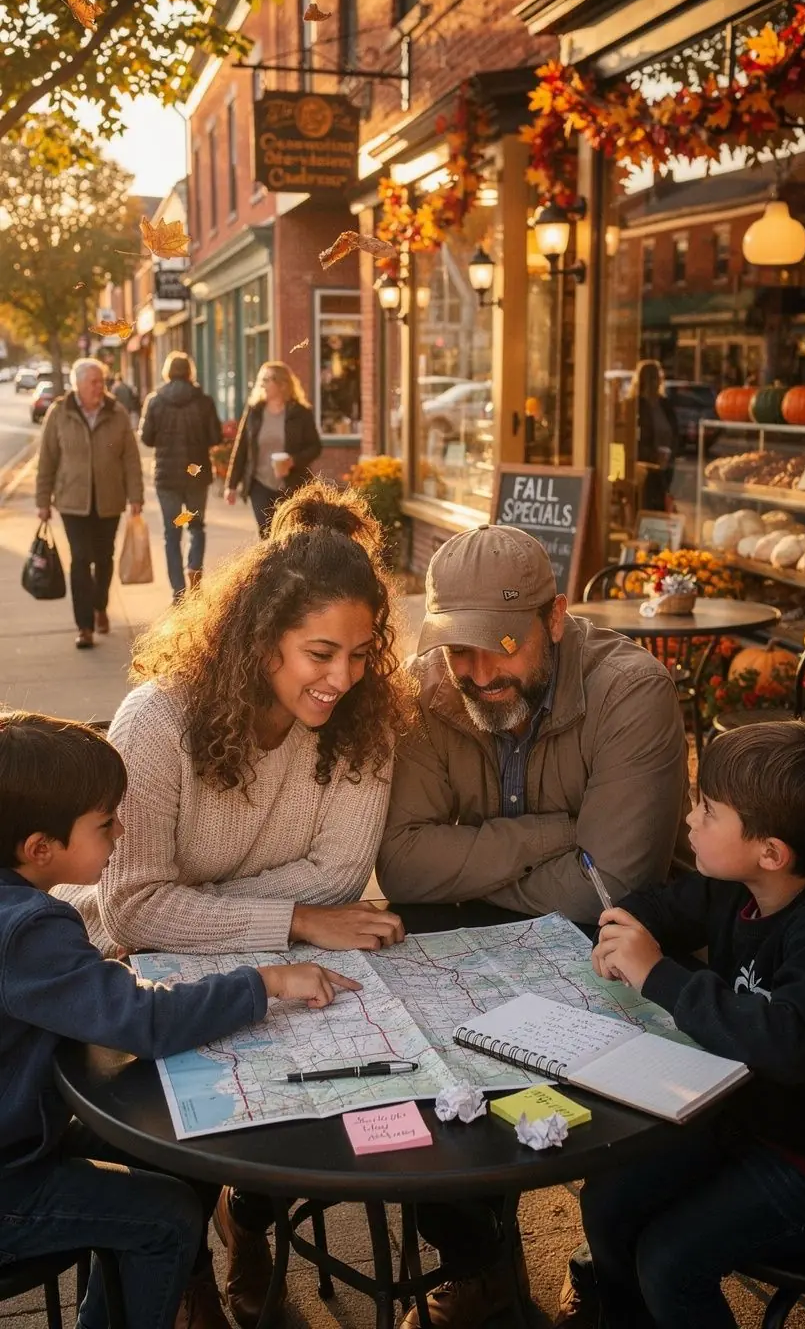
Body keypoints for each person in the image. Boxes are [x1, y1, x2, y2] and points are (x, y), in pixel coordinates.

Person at [59, 481, 406, 1326]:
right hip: (134, 976)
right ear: (261, 642)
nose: (342, 679)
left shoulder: (365, 720)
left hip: (277, 968)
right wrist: (290, 918)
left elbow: (339, 877)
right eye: (319, 653)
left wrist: (210, 903)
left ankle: (248, 1229)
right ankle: (183, 1270)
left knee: (327, 1101)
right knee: (179, 1132)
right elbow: (135, 909)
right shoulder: (159, 720)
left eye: (360, 654)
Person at [377, 523, 689, 1329]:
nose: (479, 675)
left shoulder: (630, 691)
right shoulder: (424, 692)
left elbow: (611, 883)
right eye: (460, 652)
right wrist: (556, 833)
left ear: (555, 618)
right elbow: (403, 865)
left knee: (616, 1129)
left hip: (611, 944)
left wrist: (478, 868)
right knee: (423, 1087)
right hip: (463, 935)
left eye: (501, 647)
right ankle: (477, 1264)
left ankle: (608, 1267)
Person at [0, 710, 359, 1329]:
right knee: (165, 1216)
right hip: (10, 1182)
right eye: (106, 824)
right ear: (39, 848)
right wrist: (265, 981)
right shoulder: (31, 930)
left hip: (22, 1130)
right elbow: (145, 1022)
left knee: (161, 1138)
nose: (118, 836)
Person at [579, 720, 805, 1329]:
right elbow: (663, 907)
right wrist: (623, 922)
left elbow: (787, 1042)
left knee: (670, 1260)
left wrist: (656, 973)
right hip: (738, 1117)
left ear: (771, 851)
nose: (690, 820)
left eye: (708, 810)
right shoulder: (733, 886)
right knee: (609, 1201)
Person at [36, 357, 143, 649]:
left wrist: (136, 496)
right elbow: (47, 459)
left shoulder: (116, 412)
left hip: (109, 500)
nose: (100, 387)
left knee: (104, 557)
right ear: (79, 385)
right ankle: (84, 626)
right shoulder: (60, 413)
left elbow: (131, 458)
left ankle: (100, 605)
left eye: (102, 381)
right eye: (94, 382)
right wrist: (42, 501)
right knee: (81, 559)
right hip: (73, 502)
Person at [140, 351, 223, 600]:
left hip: (167, 478)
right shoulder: (204, 401)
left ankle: (178, 591)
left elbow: (146, 438)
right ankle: (194, 571)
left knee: (172, 533)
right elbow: (215, 437)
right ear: (190, 372)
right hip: (196, 476)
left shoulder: (155, 401)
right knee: (196, 527)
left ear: (167, 372)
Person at [226, 361, 321, 537]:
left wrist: (293, 460)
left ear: (282, 383)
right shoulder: (254, 412)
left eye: (267, 379)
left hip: (292, 483)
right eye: (261, 379)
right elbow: (241, 449)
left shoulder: (300, 413)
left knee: (291, 534)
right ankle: (269, 565)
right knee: (267, 532)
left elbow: (315, 447)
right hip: (260, 483)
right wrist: (231, 485)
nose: (262, 383)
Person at [627, 358, 679, 512]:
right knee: (646, 503)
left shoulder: (665, 404)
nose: (654, 382)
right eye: (650, 378)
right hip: (644, 466)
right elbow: (630, 438)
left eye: (656, 377)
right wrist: (650, 455)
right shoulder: (635, 405)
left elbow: (675, 431)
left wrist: (671, 454)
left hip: (666, 465)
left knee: (662, 501)